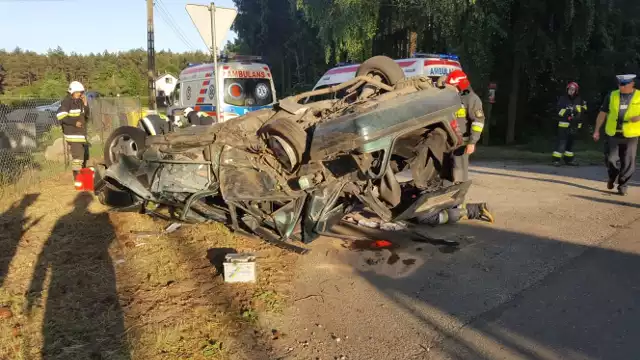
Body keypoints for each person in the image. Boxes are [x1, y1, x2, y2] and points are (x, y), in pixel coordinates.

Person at [416, 70, 494, 226]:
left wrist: (472, 142)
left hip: (462, 144)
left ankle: (457, 207)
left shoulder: (472, 99)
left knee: (459, 176)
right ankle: (444, 201)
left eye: (454, 87)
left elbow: (478, 122)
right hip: (447, 143)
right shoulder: (452, 98)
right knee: (444, 174)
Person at [593, 74, 640, 196]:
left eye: (624, 84)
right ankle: (612, 176)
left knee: (628, 161)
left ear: (632, 84)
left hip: (631, 134)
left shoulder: (639, 95)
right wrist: (597, 130)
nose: (621, 87)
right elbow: (602, 113)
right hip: (613, 133)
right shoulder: (611, 95)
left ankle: (623, 184)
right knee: (611, 159)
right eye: (620, 84)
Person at [56, 81, 90, 180]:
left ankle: (79, 174)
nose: (81, 94)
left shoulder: (79, 101)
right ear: (73, 92)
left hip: (79, 133)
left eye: (81, 92)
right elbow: (60, 116)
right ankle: (77, 177)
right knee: (78, 155)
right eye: (79, 92)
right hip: (72, 133)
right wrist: (74, 122)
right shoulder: (67, 102)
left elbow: (86, 115)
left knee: (81, 154)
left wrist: (85, 103)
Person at [552, 82, 587, 166]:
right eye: (570, 89)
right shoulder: (563, 99)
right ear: (567, 89)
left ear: (576, 91)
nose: (571, 91)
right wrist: (568, 111)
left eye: (573, 89)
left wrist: (578, 111)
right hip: (564, 125)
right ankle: (556, 160)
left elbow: (584, 111)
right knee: (561, 143)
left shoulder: (580, 100)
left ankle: (569, 160)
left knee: (571, 144)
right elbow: (559, 112)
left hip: (574, 125)